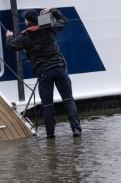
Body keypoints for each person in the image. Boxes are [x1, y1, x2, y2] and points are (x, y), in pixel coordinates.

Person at [5, 8, 82, 139]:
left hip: (44, 73)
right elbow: (64, 20)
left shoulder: (25, 37)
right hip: (59, 69)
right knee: (68, 99)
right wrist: (53, 10)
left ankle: (50, 135)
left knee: (47, 105)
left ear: (27, 21)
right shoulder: (49, 29)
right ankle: (76, 130)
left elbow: (11, 45)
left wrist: (9, 37)